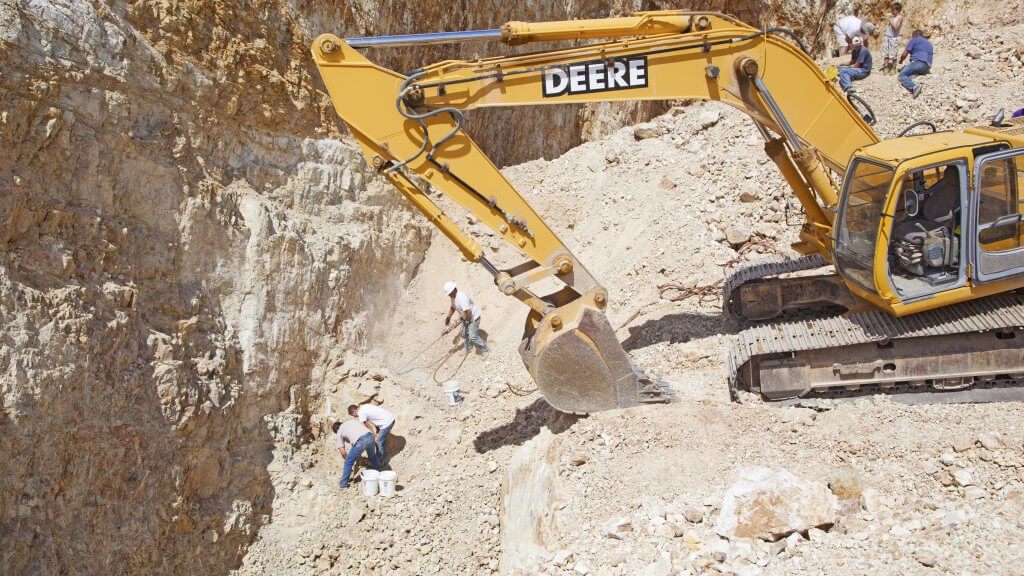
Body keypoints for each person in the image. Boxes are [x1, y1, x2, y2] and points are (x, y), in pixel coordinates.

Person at [443, 281, 489, 354]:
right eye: (448, 294)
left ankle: (485, 348)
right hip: (466, 317)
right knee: (465, 334)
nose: (449, 295)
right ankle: (468, 349)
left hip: (473, 318)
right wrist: (448, 317)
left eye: (449, 293)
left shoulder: (461, 298)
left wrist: (467, 321)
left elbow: (469, 312)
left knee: (472, 336)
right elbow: (452, 307)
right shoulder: (453, 297)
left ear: (454, 290)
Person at [334, 418, 381, 489]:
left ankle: (343, 484)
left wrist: (348, 459)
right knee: (372, 456)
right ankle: (379, 474)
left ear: (337, 430)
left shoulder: (339, 431)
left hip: (360, 440)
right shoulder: (351, 421)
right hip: (370, 436)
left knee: (348, 462)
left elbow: (343, 452)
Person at [898, 29, 933, 98]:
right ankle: (913, 77)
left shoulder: (914, 40)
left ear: (914, 35)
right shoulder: (929, 43)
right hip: (927, 67)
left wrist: (900, 61)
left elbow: (905, 54)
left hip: (918, 62)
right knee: (911, 74)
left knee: (901, 76)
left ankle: (914, 88)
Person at [882, 3, 904, 72]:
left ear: (898, 10)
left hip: (893, 38)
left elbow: (896, 28)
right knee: (886, 53)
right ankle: (886, 67)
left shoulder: (900, 17)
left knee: (893, 53)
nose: (892, 11)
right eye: (891, 9)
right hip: (887, 36)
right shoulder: (892, 17)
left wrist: (890, 20)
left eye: (893, 10)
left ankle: (893, 68)